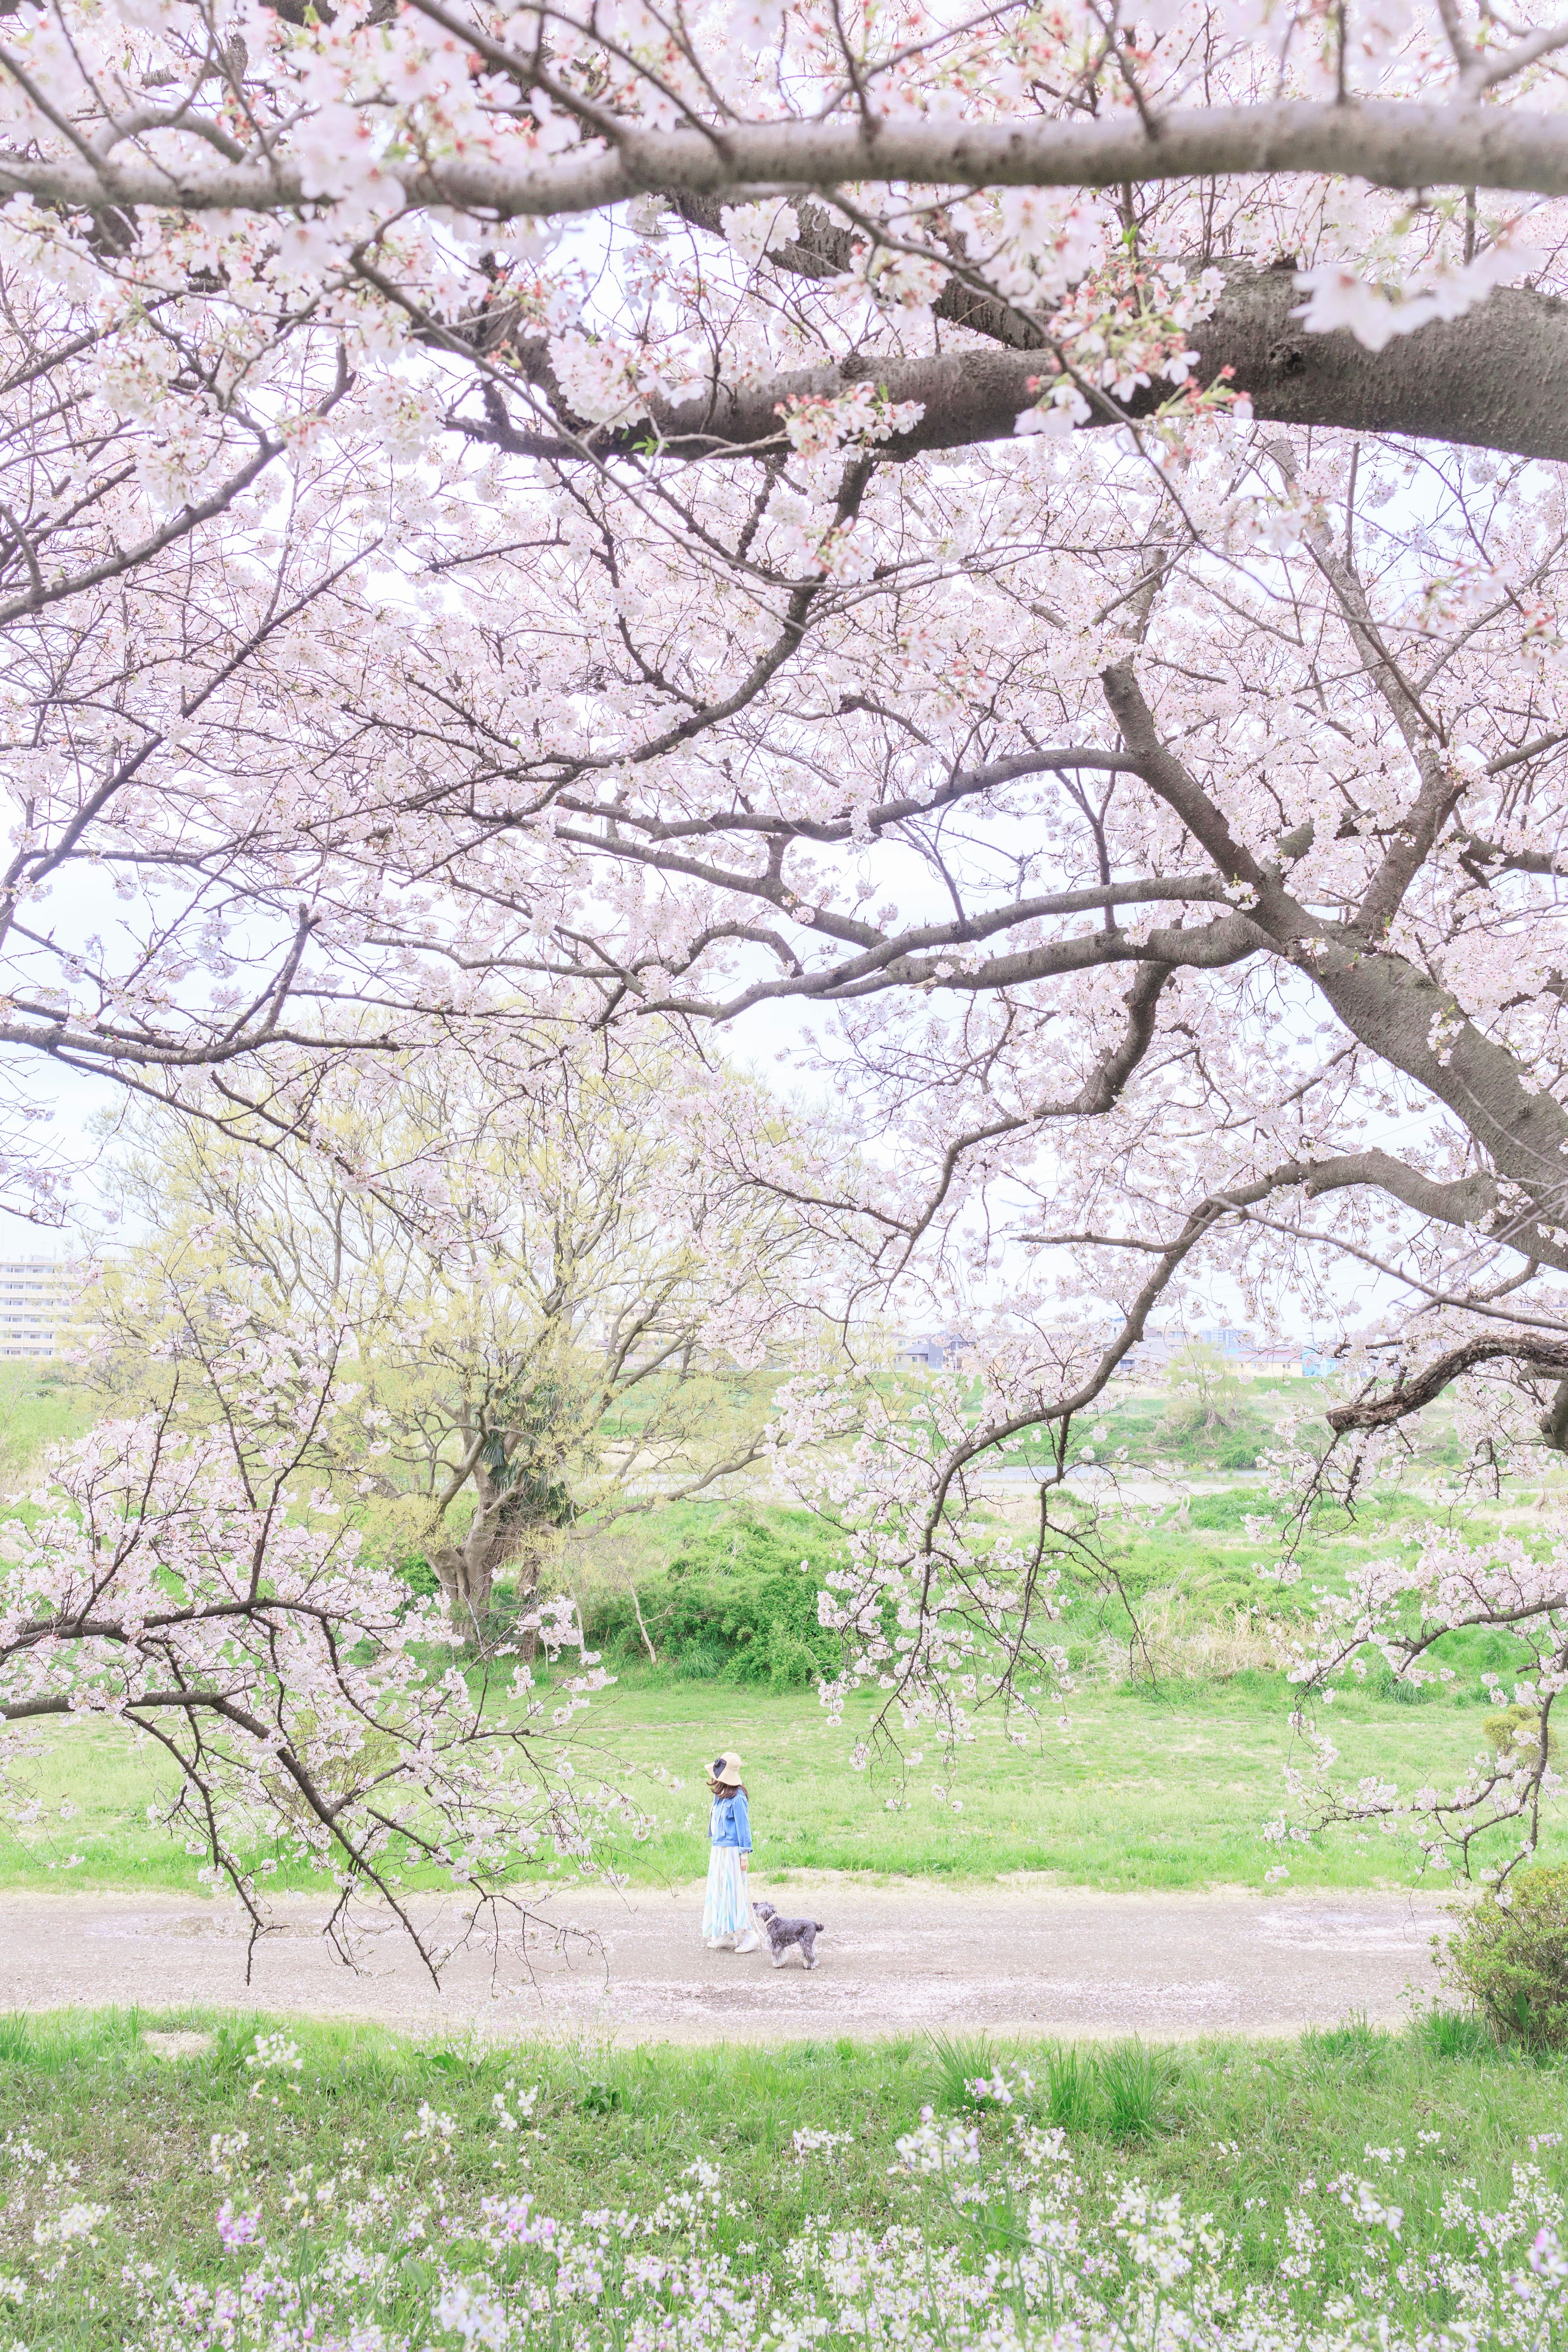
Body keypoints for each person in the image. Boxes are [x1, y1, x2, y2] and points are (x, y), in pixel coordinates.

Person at [702, 1750, 760, 1952]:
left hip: (733, 1852)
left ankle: (750, 1934)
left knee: (735, 1892)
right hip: (719, 1851)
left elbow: (744, 1827)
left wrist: (744, 1854)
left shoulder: (738, 1798)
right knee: (721, 1892)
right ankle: (727, 1935)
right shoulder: (721, 1796)